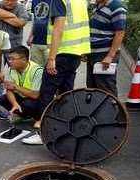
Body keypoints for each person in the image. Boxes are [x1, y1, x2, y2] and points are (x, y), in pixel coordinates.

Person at [22, 0, 90, 145]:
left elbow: (58, 29)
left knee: (46, 92)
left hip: (62, 53)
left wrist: (52, 58)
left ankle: (44, 133)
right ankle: (67, 128)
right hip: (75, 52)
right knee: (66, 92)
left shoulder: (60, 1)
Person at [86, 0, 127, 97]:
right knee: (92, 89)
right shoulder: (97, 6)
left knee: (106, 90)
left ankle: (114, 112)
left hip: (105, 55)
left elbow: (120, 33)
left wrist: (110, 56)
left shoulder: (117, 7)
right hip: (94, 55)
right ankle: (99, 112)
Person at [0, 46, 43, 122]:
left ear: (24, 60)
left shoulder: (37, 71)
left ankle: (38, 118)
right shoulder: (11, 69)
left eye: (12, 59)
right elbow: (9, 89)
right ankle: (22, 115)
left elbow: (36, 95)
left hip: (36, 100)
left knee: (28, 104)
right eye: (9, 58)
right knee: (3, 99)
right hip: (23, 97)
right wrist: (14, 103)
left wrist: (15, 87)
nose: (9, 61)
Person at [26, 0, 52, 67]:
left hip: (50, 43)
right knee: (35, 69)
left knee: (50, 70)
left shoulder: (56, 2)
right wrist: (30, 36)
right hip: (36, 42)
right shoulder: (35, 1)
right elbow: (35, 19)